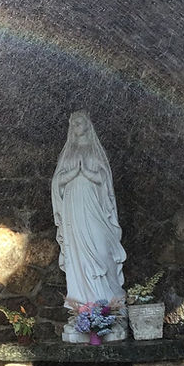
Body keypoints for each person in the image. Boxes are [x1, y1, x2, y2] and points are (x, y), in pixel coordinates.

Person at [51, 111, 126, 307]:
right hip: (73, 206)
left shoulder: (94, 150)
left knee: (101, 248)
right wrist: (73, 174)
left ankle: (110, 301)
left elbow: (105, 180)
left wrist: (88, 173)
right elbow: (57, 181)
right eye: (73, 122)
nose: (76, 125)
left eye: (80, 121)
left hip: (94, 206)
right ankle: (84, 305)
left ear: (87, 125)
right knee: (78, 253)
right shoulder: (68, 153)